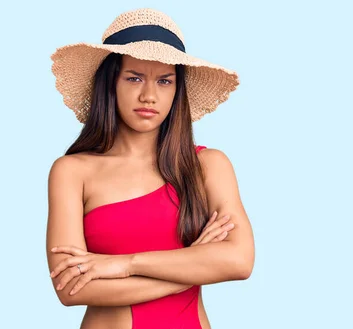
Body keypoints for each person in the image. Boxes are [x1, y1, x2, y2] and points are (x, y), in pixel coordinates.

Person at [45, 8, 255, 329]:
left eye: (164, 81)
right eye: (134, 77)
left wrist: (125, 264)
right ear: (110, 83)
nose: (149, 95)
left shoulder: (208, 166)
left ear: (176, 90)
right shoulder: (72, 171)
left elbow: (239, 262)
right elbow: (72, 288)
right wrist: (193, 266)